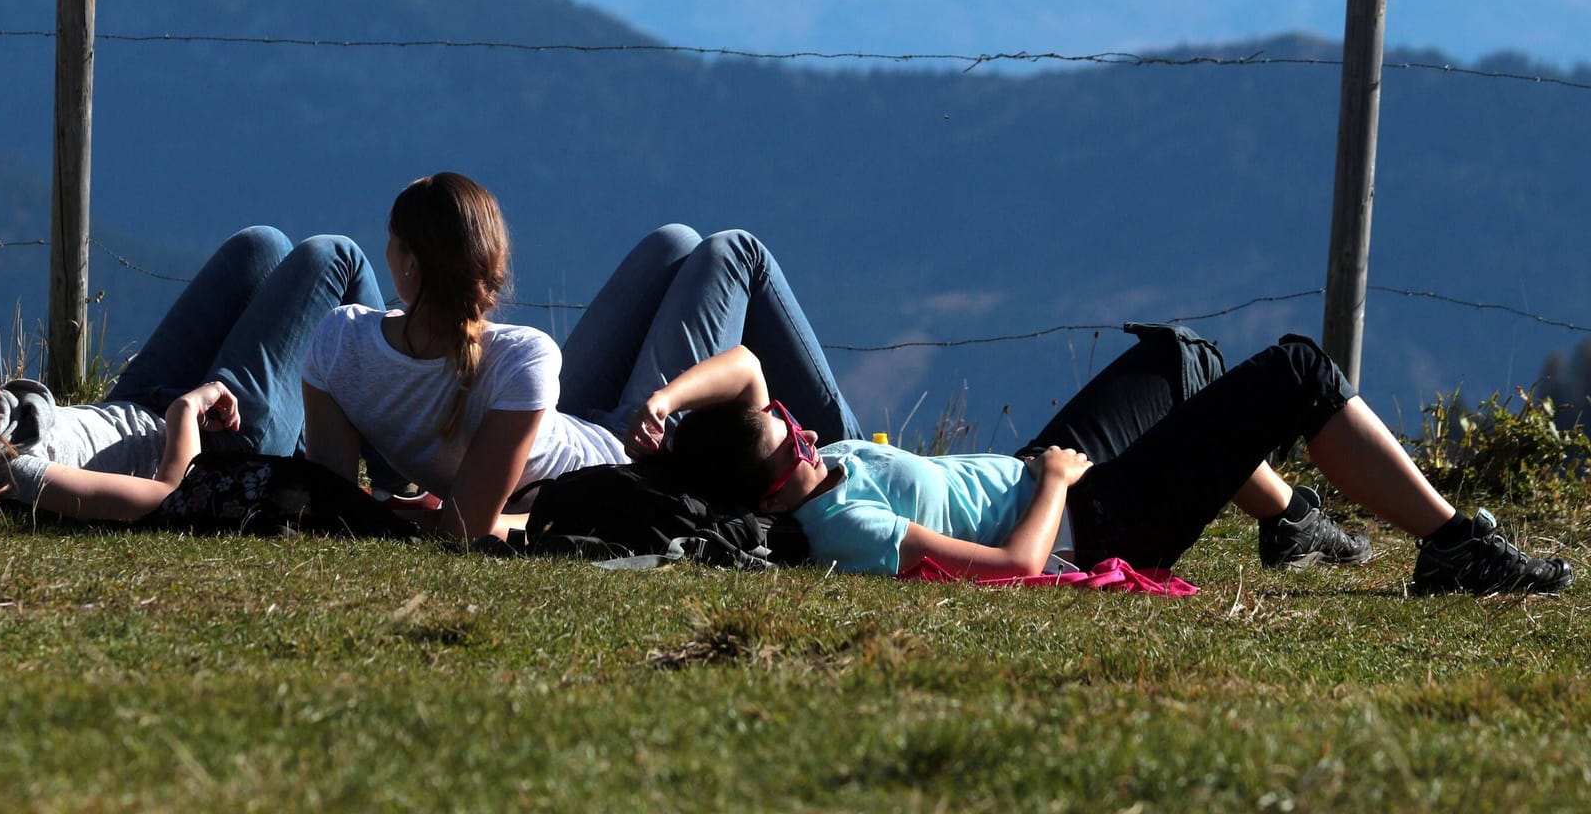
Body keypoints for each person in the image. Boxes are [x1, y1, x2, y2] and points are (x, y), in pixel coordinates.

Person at [660, 331, 1574, 597]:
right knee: (1297, 371)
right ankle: (1453, 547)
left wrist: (663, 407)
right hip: (1082, 520)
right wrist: (1057, 481)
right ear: (777, 487)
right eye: (792, 439)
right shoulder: (843, 530)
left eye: (791, 418)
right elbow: (1016, 570)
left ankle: (1289, 523)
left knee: (1181, 362)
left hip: (1037, 475)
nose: (805, 429)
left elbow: (744, 371)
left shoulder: (802, 472)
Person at [301, 173, 863, 541]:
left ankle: (845, 461)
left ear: (411, 267)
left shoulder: (337, 342)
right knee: (732, 251)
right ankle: (852, 460)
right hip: (620, 455)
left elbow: (332, 500)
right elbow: (469, 529)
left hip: (558, 419)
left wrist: (399, 507)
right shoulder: (518, 356)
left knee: (674, 242)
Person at [0, 226, 380, 523]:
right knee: (334, 256)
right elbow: (166, 496)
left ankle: (324, 436)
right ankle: (393, 473)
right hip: (217, 444)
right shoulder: (10, 471)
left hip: (135, 401)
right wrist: (188, 409)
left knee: (261, 248)